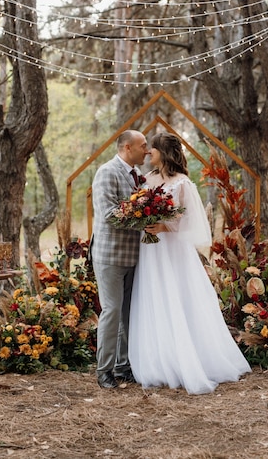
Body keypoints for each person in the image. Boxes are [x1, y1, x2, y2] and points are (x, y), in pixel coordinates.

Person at [129, 132, 251, 394]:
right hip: (150, 252)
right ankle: (160, 363)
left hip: (173, 251)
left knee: (179, 297)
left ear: (164, 152)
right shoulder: (145, 180)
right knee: (155, 298)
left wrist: (164, 225)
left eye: (153, 149)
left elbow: (191, 222)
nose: (149, 152)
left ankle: (192, 359)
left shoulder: (182, 183)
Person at [91, 129, 149, 389]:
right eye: (143, 145)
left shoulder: (137, 176)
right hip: (110, 255)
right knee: (112, 311)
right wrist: (146, 219)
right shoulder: (107, 172)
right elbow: (109, 214)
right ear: (127, 147)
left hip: (133, 256)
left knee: (127, 313)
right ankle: (104, 371)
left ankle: (123, 367)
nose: (147, 150)